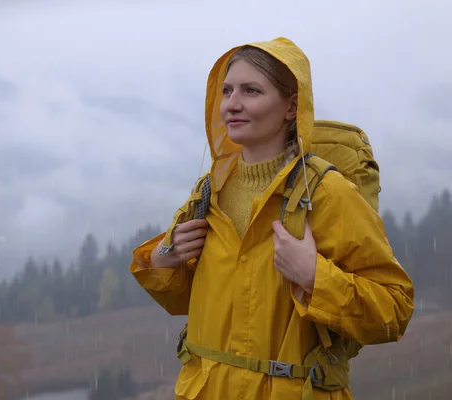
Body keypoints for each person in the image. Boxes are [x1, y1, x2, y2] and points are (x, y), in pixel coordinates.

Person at [129, 37, 414, 399]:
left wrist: (315, 277)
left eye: (251, 91)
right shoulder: (209, 191)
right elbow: (191, 303)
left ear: (291, 106)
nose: (232, 104)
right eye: (227, 90)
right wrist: (161, 261)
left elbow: (394, 310)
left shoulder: (327, 193)